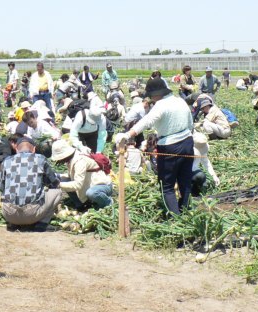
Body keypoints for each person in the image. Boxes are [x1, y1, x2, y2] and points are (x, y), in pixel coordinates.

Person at [128, 78, 194, 215]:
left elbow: (147, 121)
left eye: (151, 95)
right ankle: (186, 212)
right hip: (187, 142)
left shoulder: (161, 105)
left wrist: (129, 134)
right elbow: (190, 124)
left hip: (170, 146)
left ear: (158, 93)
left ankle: (176, 219)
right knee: (185, 180)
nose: (151, 98)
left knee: (167, 186)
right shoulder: (180, 101)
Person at [0, 137, 61, 232]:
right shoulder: (41, 159)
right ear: (34, 149)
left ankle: (13, 223)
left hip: (9, 214)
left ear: (17, 149)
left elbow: (0, 186)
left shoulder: (7, 161)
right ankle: (42, 223)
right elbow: (54, 182)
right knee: (57, 192)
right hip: (32, 214)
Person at [52, 139, 113, 210]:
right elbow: (72, 176)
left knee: (92, 193)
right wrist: (57, 176)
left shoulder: (80, 162)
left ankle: (108, 203)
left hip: (102, 186)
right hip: (89, 185)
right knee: (62, 179)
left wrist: (58, 185)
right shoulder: (71, 159)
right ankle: (81, 204)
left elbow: (77, 185)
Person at [190, 132, 220, 196]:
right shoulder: (187, 151)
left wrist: (213, 176)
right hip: (184, 174)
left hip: (193, 172)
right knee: (200, 176)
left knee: (201, 177)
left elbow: (206, 162)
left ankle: (199, 192)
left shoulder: (201, 147)